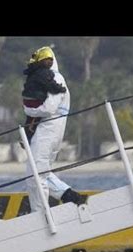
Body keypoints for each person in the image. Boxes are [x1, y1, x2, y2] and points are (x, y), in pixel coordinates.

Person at [22, 46, 87, 211]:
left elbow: (49, 108)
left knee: (36, 176)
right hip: (50, 131)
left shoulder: (55, 78)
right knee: (40, 171)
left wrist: (28, 110)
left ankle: (40, 215)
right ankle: (69, 196)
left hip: (48, 131)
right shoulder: (51, 78)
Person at [21, 47, 67, 145]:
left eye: (51, 60)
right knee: (36, 117)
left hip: (27, 99)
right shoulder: (44, 73)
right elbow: (51, 85)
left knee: (29, 119)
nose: (50, 62)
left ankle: (25, 138)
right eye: (47, 60)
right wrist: (61, 89)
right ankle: (28, 138)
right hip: (35, 100)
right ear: (41, 61)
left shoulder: (33, 71)